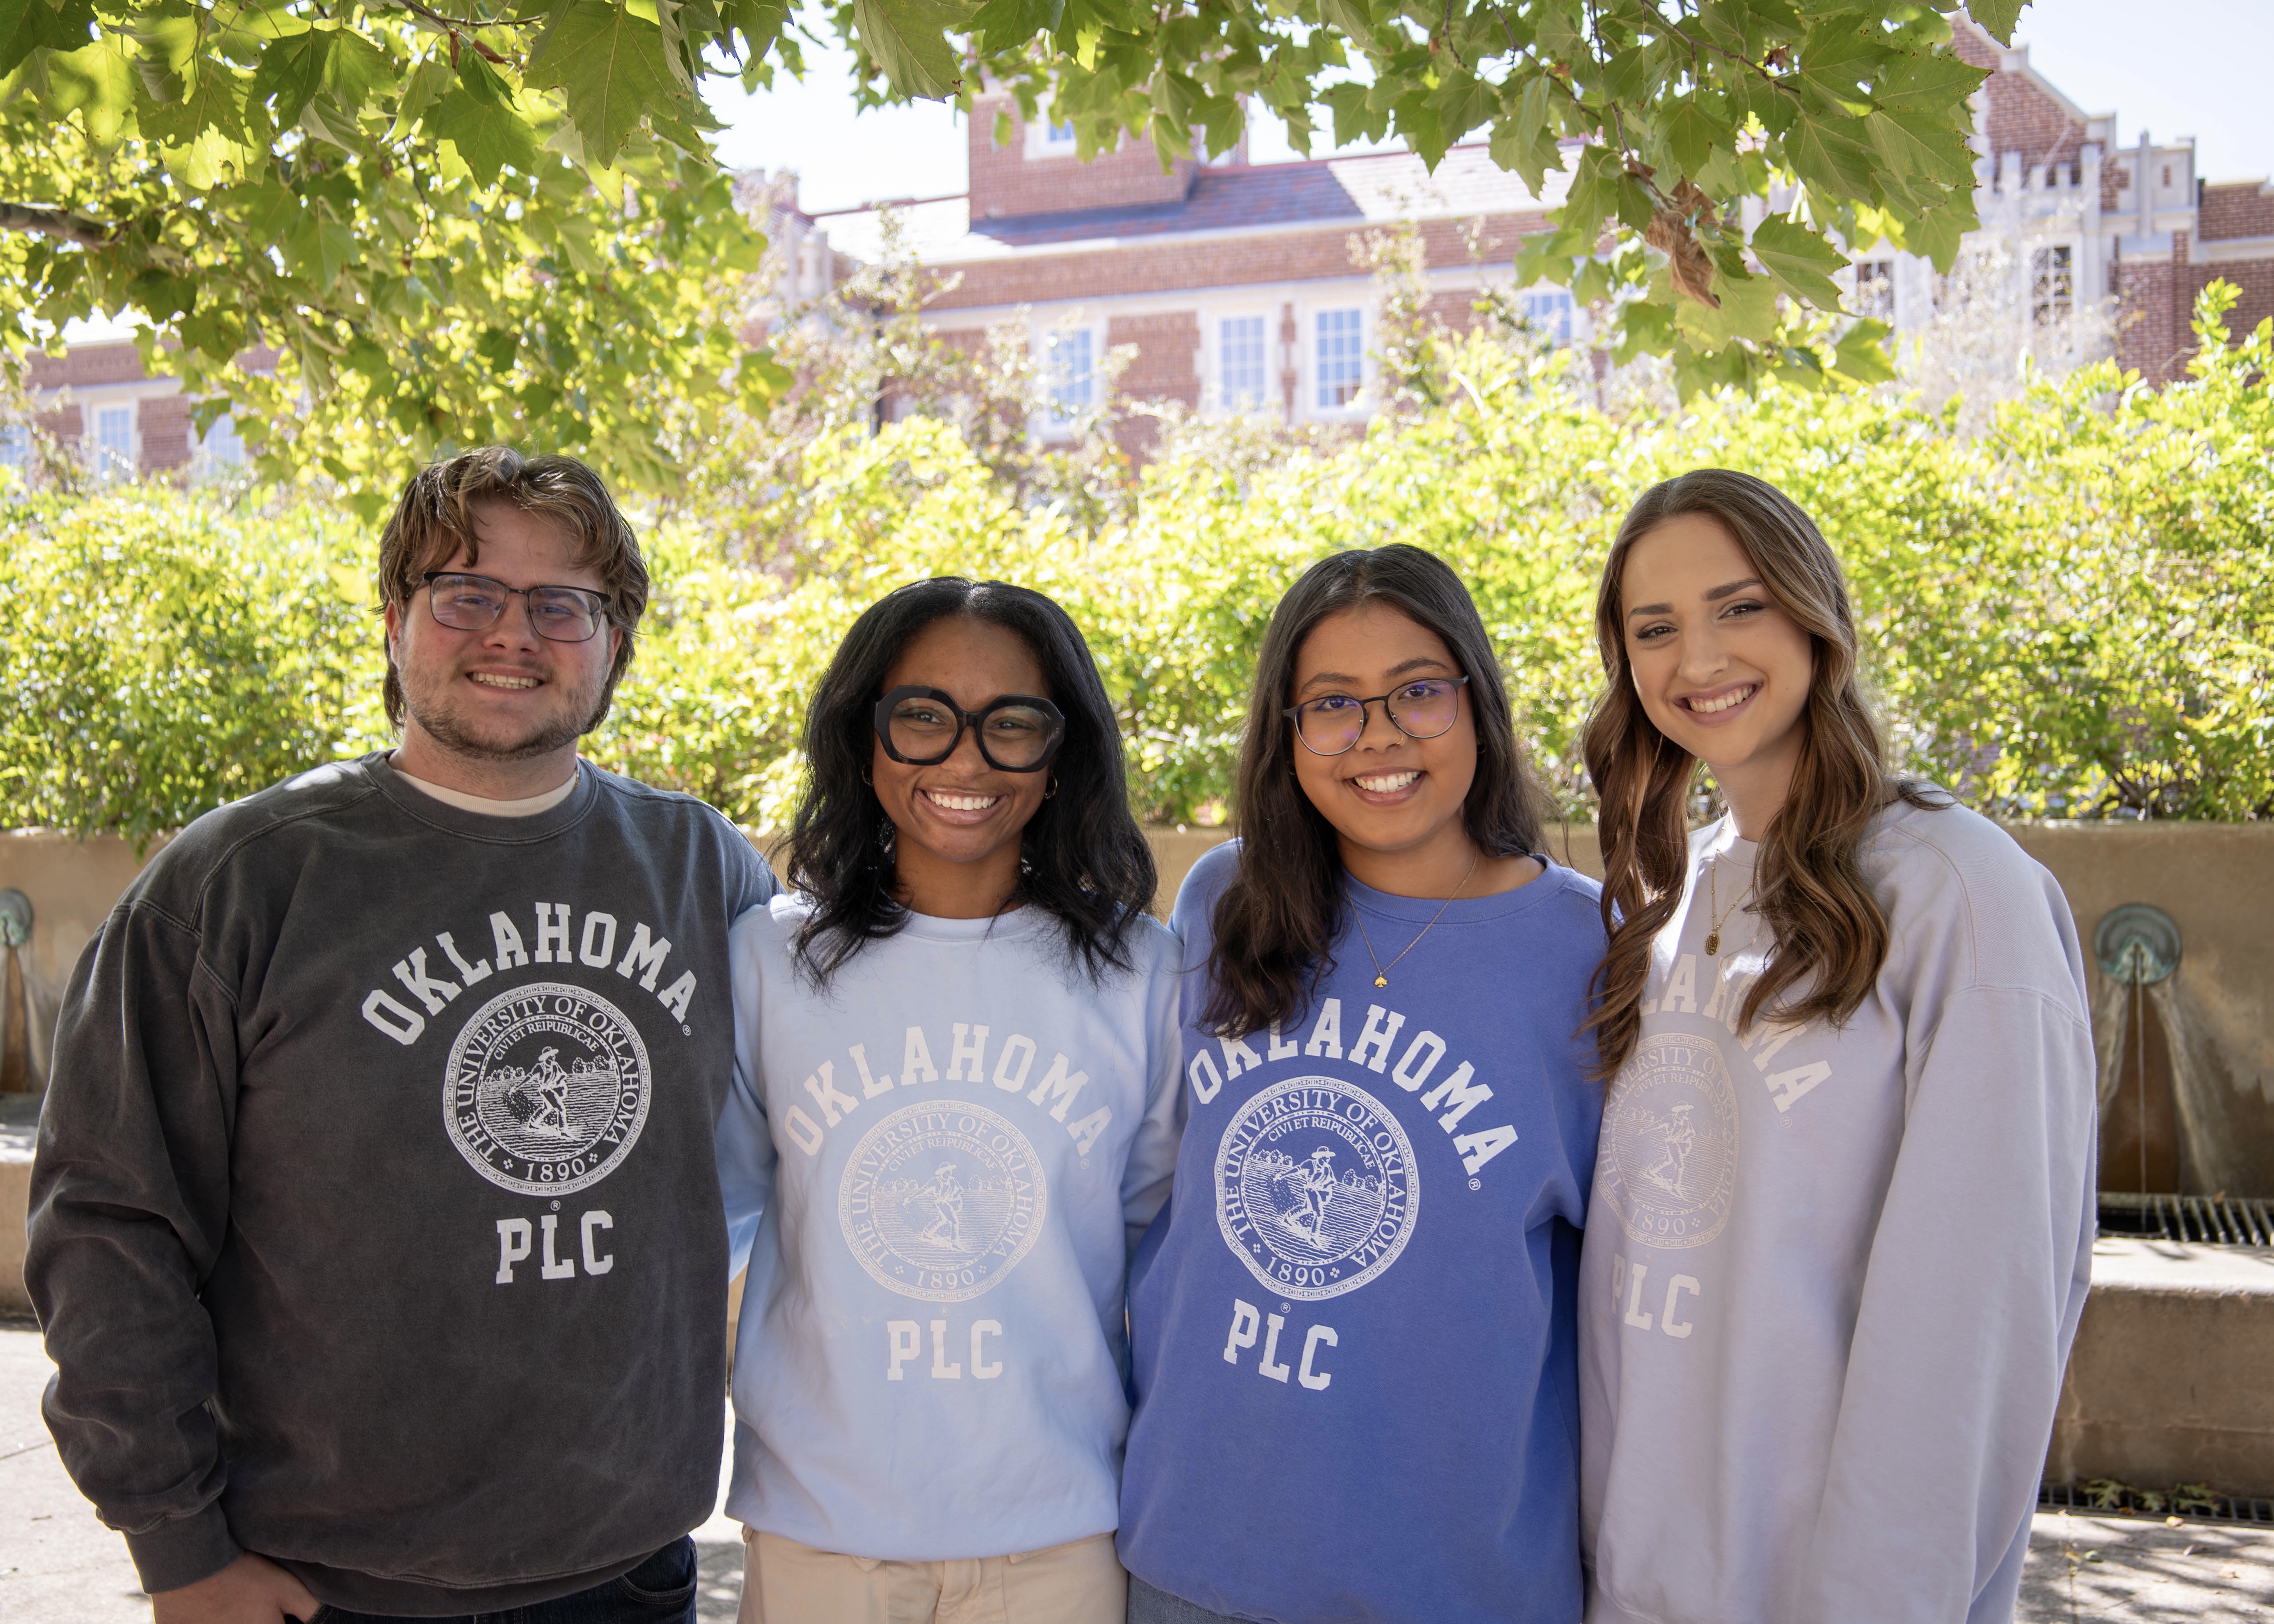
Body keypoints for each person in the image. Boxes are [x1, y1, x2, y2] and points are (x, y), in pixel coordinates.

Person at [27, 448, 776, 1623]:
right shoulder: (239, 882)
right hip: (317, 1587)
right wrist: (177, 1544)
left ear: (614, 639)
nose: (511, 632)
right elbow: (110, 1225)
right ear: (395, 617)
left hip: (627, 1571)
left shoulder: (701, 869)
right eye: (466, 591)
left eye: (561, 603)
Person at [1576, 469, 2096, 1624]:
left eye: (1737, 605)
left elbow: (1973, 1322)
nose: (1696, 656)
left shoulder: (1957, 893)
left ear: (1815, 613)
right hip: (1623, 1583)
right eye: (1652, 628)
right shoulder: (1662, 897)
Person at [1117, 544, 1608, 1624]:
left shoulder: (1589, 949)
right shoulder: (1224, 899)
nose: (1378, 735)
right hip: (1194, 1554)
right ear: (1284, 734)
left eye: (1419, 693)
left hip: (1455, 1577)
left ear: (1477, 702)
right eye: (1332, 703)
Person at [716, 577, 1181, 1624]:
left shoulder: (1143, 974)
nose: (965, 760)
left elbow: (1154, 1246)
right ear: (865, 734)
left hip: (1061, 1534)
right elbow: (719, 1215)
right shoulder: (770, 960)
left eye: (1012, 724)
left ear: (1063, 754)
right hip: (819, 1532)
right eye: (922, 716)